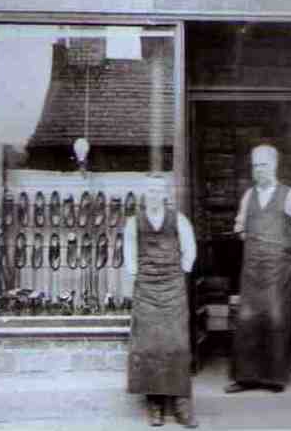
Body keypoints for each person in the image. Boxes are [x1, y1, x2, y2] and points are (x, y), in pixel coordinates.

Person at [225, 144, 291, 394]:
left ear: (274, 165)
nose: (258, 170)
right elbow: (239, 226)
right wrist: (247, 238)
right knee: (247, 319)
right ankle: (245, 378)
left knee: (276, 318)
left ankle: (274, 379)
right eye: (254, 165)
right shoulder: (248, 196)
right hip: (252, 268)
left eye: (262, 165)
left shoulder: (289, 195)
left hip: (278, 269)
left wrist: (286, 250)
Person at [124, 174, 198, 427]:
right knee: (150, 347)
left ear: (165, 194)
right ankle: (155, 404)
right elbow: (130, 256)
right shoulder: (134, 223)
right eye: (150, 191)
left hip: (172, 289)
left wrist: (180, 271)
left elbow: (190, 250)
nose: (154, 195)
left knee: (177, 345)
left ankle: (181, 405)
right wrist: (138, 274)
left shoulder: (179, 220)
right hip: (146, 289)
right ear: (145, 195)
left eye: (158, 190)